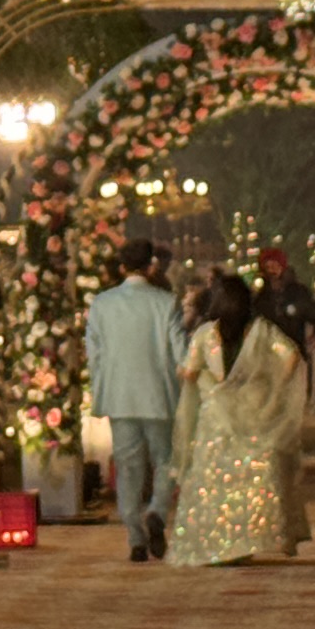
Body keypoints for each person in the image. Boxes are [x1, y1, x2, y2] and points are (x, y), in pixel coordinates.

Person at [172, 273, 309, 567]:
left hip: (217, 420)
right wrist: (272, 385)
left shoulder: (206, 334)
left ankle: (220, 542)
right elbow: (291, 357)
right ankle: (247, 538)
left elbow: (191, 372)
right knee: (251, 480)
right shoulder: (261, 331)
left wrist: (188, 375)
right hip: (256, 412)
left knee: (216, 482)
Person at [86, 236, 186, 562]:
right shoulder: (166, 302)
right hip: (159, 395)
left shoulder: (102, 304)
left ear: (121, 266)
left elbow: (94, 355)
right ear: (151, 266)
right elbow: (180, 353)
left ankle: (135, 536)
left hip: (119, 395)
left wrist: (100, 393)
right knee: (164, 460)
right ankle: (156, 510)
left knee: (128, 467)